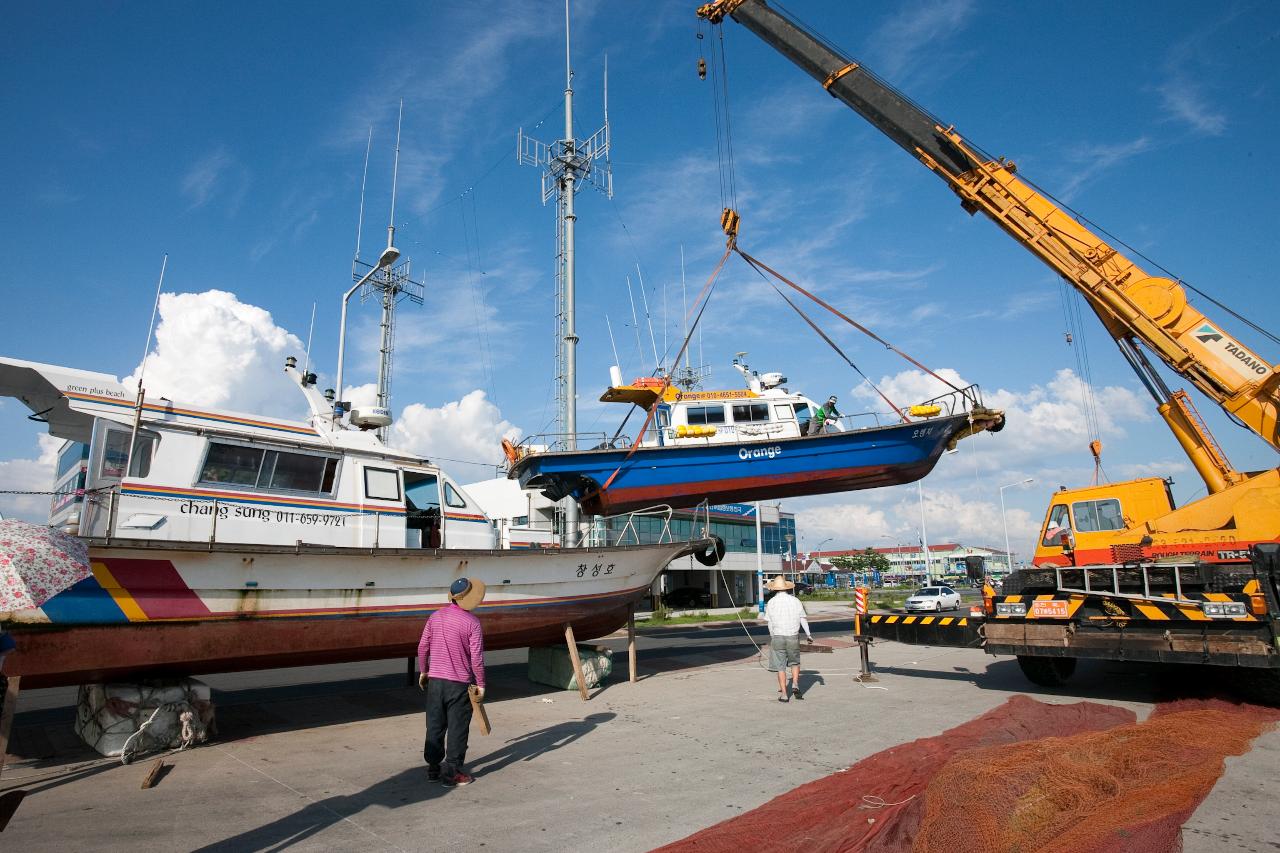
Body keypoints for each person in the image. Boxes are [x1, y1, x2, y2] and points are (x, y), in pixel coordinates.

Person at [418, 576, 486, 786]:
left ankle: (433, 769)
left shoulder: (435, 616)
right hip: (458, 684)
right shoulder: (473, 623)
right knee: (457, 728)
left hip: (435, 681)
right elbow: (476, 658)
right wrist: (481, 684)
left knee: (435, 726)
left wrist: (423, 671)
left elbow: (422, 647)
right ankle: (452, 772)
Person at [764, 575, 812, 701]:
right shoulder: (795, 601)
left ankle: (784, 694)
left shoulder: (771, 602)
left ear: (774, 589)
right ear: (787, 588)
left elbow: (769, 623)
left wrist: (772, 636)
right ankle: (795, 684)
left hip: (778, 636)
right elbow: (803, 619)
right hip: (793, 636)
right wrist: (808, 634)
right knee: (795, 662)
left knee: (780, 667)